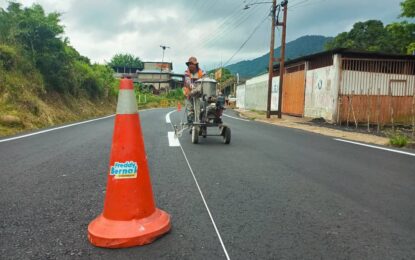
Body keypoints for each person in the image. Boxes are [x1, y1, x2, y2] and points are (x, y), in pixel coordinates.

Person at [183, 56, 205, 123]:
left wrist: (197, 88)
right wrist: (190, 85)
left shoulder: (201, 72)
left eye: (192, 64)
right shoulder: (187, 72)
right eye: (189, 64)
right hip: (189, 93)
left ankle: (197, 121)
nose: (190, 65)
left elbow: (204, 80)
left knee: (198, 109)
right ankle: (190, 117)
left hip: (198, 94)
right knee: (189, 107)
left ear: (195, 65)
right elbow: (187, 81)